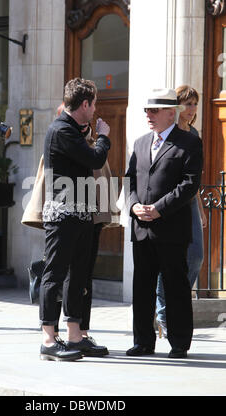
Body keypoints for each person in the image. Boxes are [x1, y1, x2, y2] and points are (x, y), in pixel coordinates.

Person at [126, 88, 203, 359]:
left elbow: (189, 184)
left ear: (172, 113)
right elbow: (130, 181)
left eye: (155, 110)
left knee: (175, 286)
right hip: (142, 228)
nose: (149, 115)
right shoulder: (140, 142)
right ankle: (143, 342)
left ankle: (179, 343)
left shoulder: (189, 143)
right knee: (142, 287)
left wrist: (158, 209)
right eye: (147, 110)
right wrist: (134, 205)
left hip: (171, 228)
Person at [39, 78, 111, 361]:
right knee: (55, 274)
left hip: (80, 213)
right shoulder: (61, 130)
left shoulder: (72, 129)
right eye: (93, 104)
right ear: (84, 104)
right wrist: (103, 136)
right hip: (62, 214)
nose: (95, 110)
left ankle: (75, 335)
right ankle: (48, 338)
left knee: (78, 275)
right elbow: (94, 159)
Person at [156, 85, 206, 338]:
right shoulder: (169, 134)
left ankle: (177, 302)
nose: (192, 108)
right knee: (168, 259)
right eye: (187, 103)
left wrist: (200, 209)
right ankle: (164, 313)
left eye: (195, 103)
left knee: (196, 255)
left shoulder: (194, 135)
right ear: (177, 107)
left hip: (188, 203)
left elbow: (193, 178)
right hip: (168, 203)